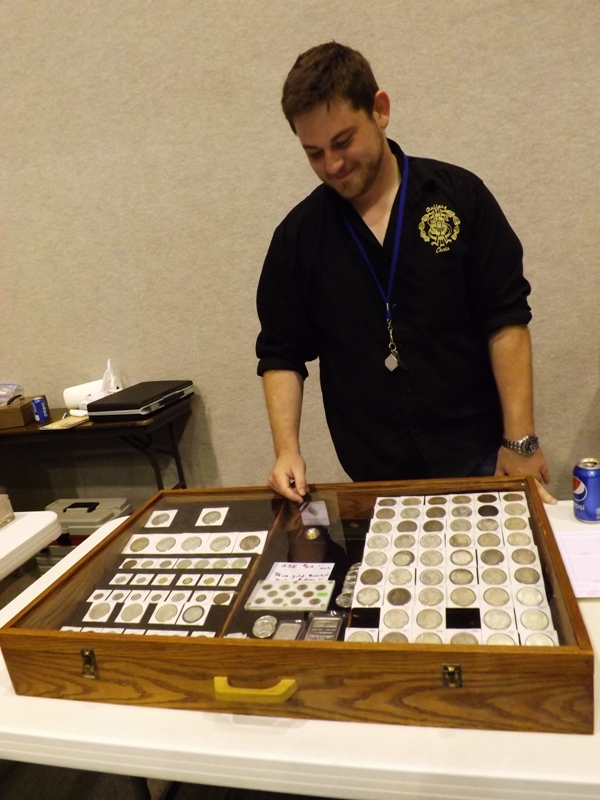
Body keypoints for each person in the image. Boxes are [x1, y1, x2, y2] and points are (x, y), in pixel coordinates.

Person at [256, 42, 554, 505]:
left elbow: (506, 319)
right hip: (374, 476)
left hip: (480, 459)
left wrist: (521, 442)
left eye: (343, 142)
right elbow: (281, 353)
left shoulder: (461, 198)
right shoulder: (298, 238)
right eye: (314, 153)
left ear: (380, 110)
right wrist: (287, 451)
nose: (332, 166)